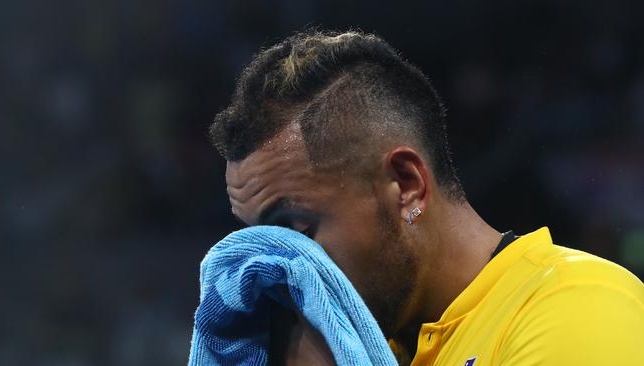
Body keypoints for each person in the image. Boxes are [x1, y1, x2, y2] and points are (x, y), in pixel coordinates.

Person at [209, 30, 644, 365]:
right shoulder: (375, 349)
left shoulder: (576, 308)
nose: (278, 273)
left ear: (407, 185)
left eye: (297, 234)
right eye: (259, 246)